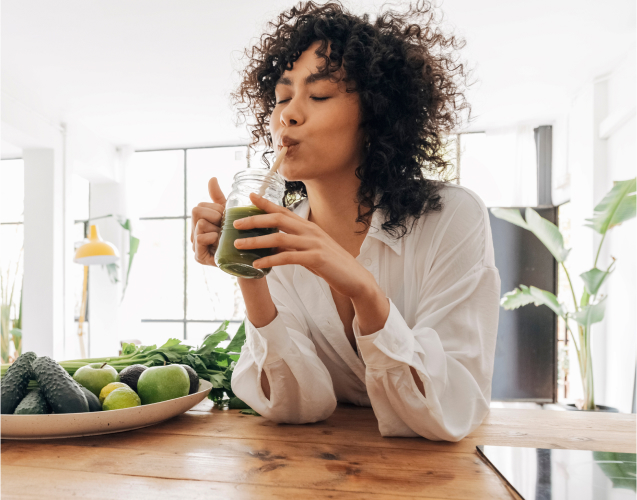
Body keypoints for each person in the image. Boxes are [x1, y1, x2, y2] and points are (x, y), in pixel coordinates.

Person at [191, 1, 501, 441]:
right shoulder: (276, 232)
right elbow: (295, 407)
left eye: (318, 96)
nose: (288, 114)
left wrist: (364, 290)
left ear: (375, 114)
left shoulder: (451, 218)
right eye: (282, 97)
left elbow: (451, 410)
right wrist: (249, 270)